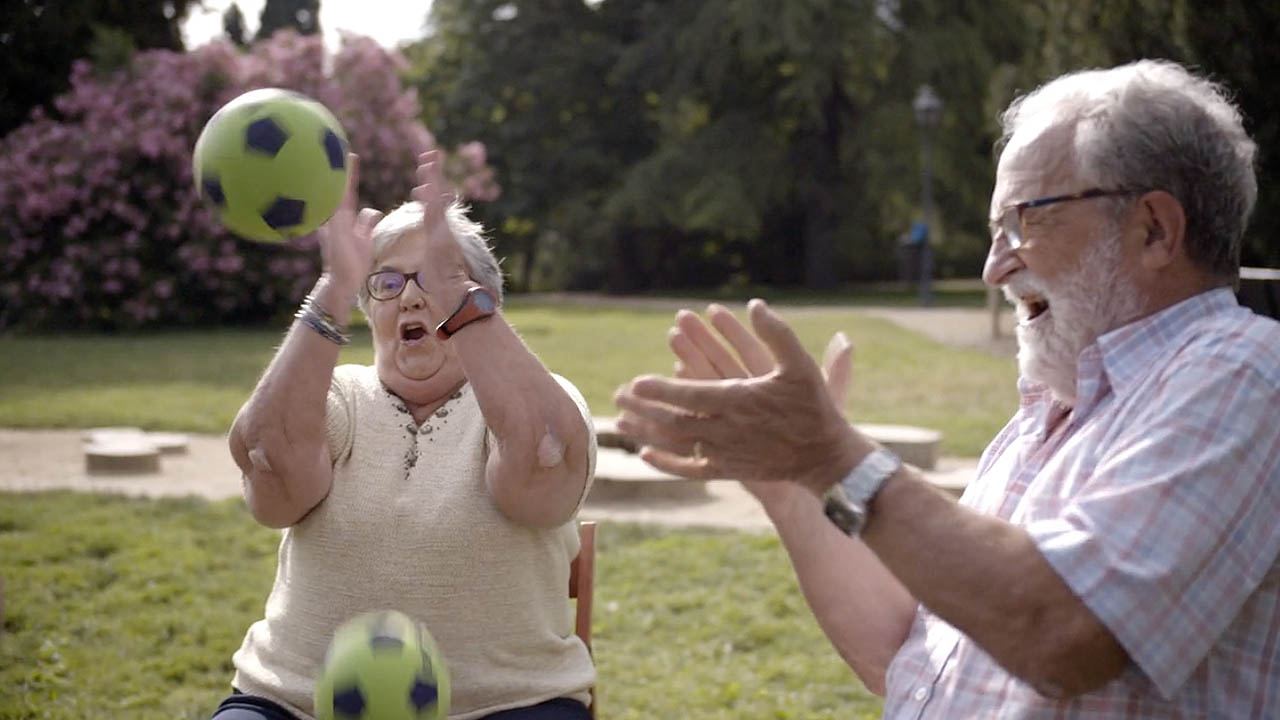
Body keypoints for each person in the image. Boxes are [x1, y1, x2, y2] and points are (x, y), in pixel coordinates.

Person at [613, 59, 1280, 717]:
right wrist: (795, 487)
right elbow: (902, 653)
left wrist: (833, 456)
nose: (993, 268)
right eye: (995, 234)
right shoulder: (1051, 411)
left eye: (1023, 221)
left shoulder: (1247, 375)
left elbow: (1063, 634)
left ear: (1154, 229)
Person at [214, 150, 597, 720]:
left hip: (509, 705)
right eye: (388, 282)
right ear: (369, 310)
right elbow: (271, 475)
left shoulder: (539, 397)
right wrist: (333, 286)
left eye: (438, 280)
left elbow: (540, 478)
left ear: (485, 301)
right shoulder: (338, 393)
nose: (414, 297)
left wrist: (461, 306)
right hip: (293, 703)